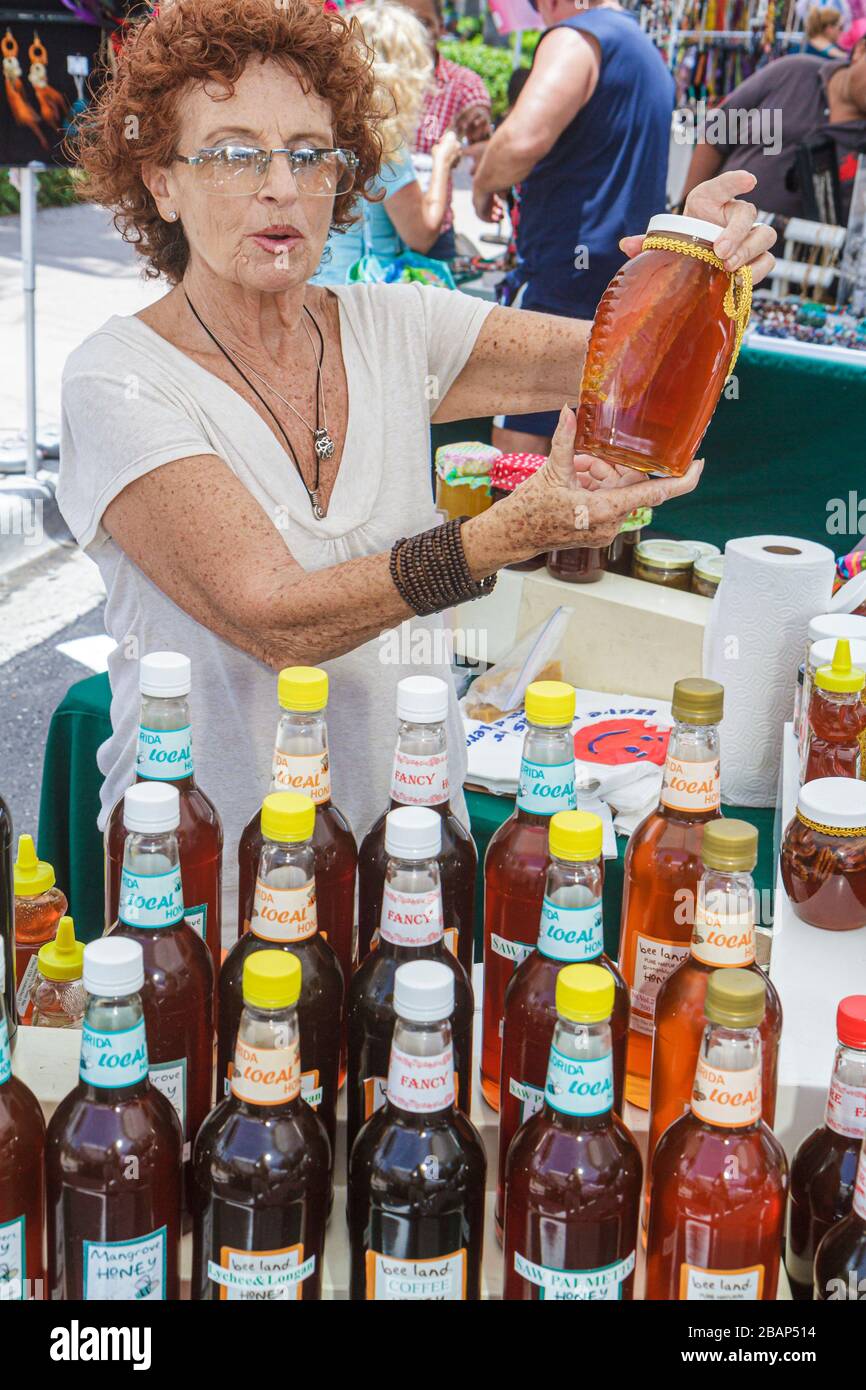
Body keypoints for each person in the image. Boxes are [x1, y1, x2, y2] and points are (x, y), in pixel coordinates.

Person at [56, 0, 775, 936]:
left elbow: (631, 357)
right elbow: (276, 618)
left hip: (405, 873)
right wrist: (508, 535)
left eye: (311, 153)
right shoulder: (118, 376)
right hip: (203, 887)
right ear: (161, 183)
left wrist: (699, 259)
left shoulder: (392, 327)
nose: (281, 185)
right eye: (234, 153)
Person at [470, 0, 675, 456]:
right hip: (626, 285)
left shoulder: (578, 37)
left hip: (562, 284)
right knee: (589, 458)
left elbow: (523, 138)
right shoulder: (646, 51)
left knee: (519, 456)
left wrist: (484, 181)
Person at [313, 0, 461, 284]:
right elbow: (422, 234)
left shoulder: (328, 126)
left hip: (322, 282)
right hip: (364, 295)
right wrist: (443, 162)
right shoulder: (381, 140)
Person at [682, 32, 866, 222]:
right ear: (860, 51)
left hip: (789, 249)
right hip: (712, 233)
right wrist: (685, 210)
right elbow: (717, 134)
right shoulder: (794, 72)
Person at [400, 0, 493, 261]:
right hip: (383, 235)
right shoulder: (378, 79)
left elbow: (478, 109)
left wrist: (477, 122)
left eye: (425, 23)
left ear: (441, 28)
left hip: (435, 229)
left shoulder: (461, 82)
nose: (417, 32)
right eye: (408, 22)